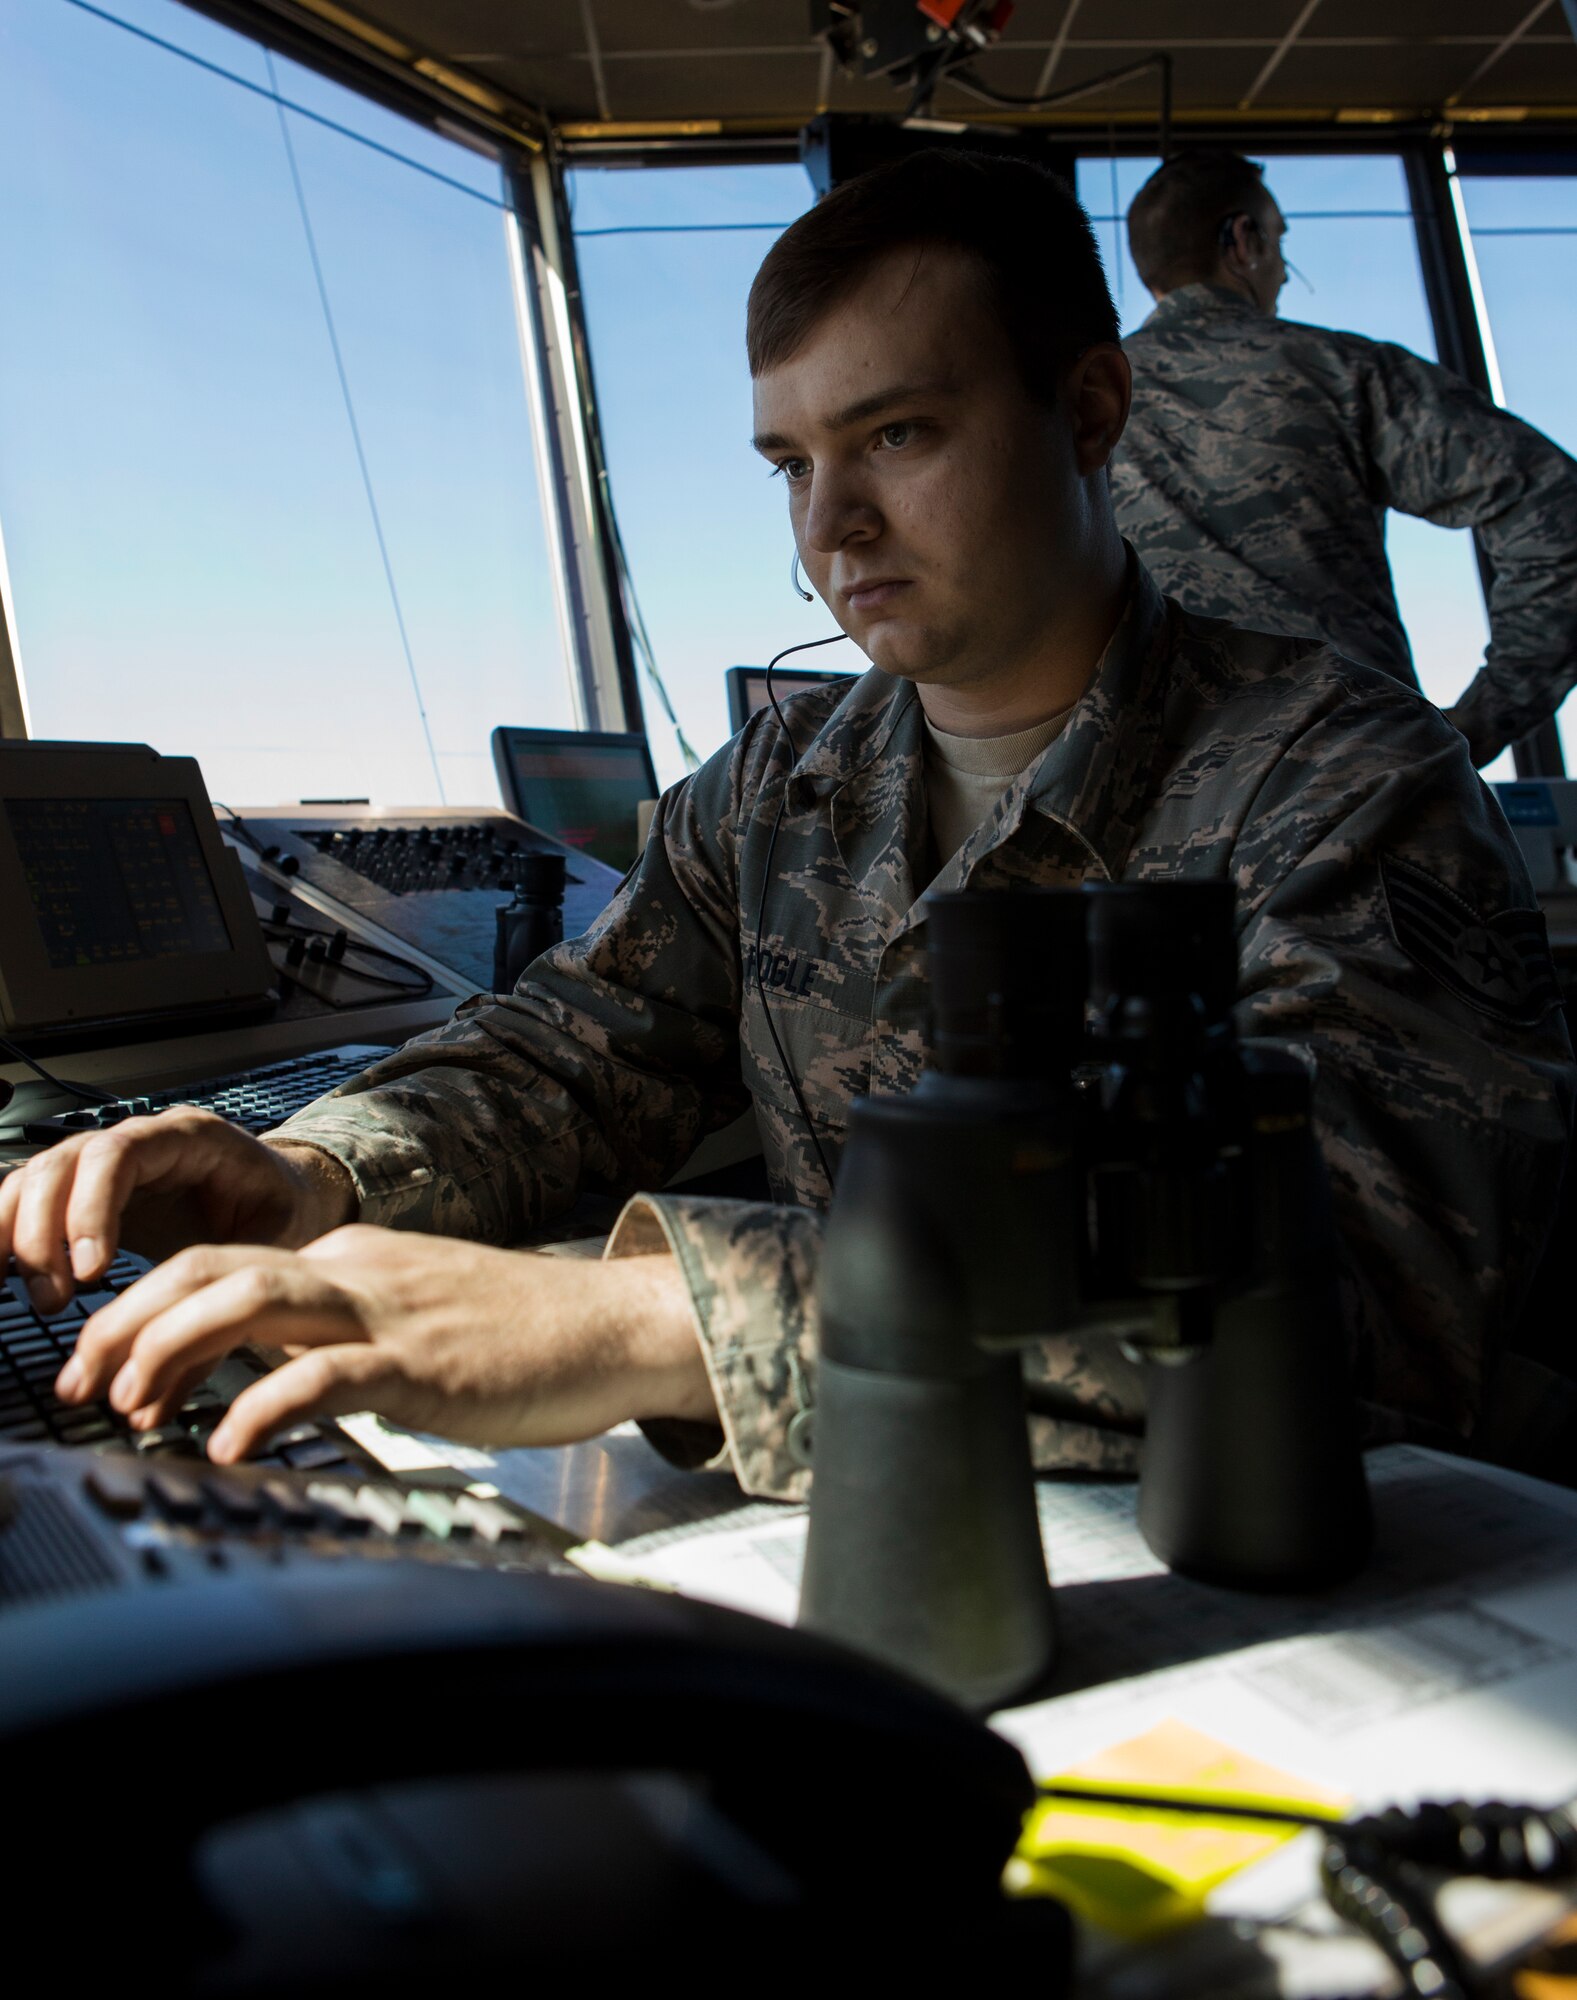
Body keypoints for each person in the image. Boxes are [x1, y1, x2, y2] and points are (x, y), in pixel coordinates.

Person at [1, 150, 1569, 1498]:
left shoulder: (1347, 782)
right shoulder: (778, 783)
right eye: (789, 462)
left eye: (897, 435)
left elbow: (1353, 1304)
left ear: (1091, 413)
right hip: (907, 1523)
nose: (833, 526)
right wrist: (317, 1174)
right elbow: (578, 1049)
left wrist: (651, 1329)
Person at [1112, 149, 1577, 769]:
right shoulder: (1342, 374)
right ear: (1243, 241)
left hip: (1146, 795)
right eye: (1279, 241)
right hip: (1360, 778)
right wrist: (1481, 722)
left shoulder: (1078, 405)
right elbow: (1558, 511)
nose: (1281, 272)